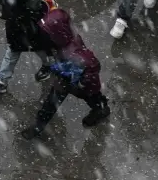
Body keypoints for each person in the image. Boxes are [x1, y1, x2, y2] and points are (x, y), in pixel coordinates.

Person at [21, 9, 110, 139]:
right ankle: (39, 125)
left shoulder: (74, 52)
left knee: (89, 96)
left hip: (80, 79)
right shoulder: (63, 41)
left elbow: (92, 66)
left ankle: (101, 109)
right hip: (68, 74)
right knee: (53, 101)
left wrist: (80, 83)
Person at [0, 0, 56, 95]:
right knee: (12, 53)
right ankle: (2, 82)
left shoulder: (39, 2)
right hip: (17, 29)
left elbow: (51, 16)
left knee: (40, 49)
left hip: (36, 31)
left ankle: (48, 65)